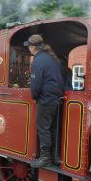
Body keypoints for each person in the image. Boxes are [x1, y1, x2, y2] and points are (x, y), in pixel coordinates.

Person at [24, 34, 64, 168]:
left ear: (33, 47)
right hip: (56, 98)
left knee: (43, 128)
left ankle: (45, 158)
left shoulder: (38, 60)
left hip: (46, 99)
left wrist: (34, 96)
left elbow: (36, 83)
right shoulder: (52, 58)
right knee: (52, 128)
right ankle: (53, 156)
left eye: (29, 46)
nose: (28, 48)